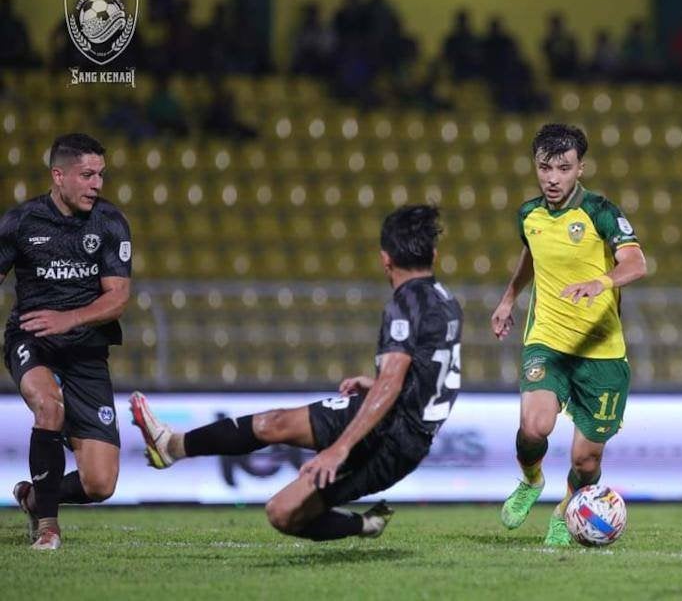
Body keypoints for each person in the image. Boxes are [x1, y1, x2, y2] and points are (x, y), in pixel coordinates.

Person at [130, 205, 462, 542]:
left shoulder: (405, 304)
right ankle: (171, 446)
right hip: (388, 417)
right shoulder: (446, 301)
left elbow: (393, 382)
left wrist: (340, 447)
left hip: (393, 441)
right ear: (433, 255)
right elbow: (429, 378)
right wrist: (376, 385)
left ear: (384, 258)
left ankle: (365, 525)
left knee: (282, 512)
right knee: (272, 423)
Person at [491, 124, 647, 545]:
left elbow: (636, 263)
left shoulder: (601, 211)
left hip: (602, 352)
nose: (552, 178)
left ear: (581, 167)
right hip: (549, 341)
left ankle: (566, 509)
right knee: (533, 427)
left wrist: (602, 282)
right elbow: (531, 255)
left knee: (586, 458)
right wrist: (508, 298)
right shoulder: (529, 214)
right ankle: (531, 480)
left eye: (563, 168)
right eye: (545, 167)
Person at [4, 133, 133, 550]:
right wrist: (52, 323)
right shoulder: (20, 222)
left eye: (100, 175)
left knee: (100, 484)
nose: (96, 184)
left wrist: (71, 318)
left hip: (85, 350)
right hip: (32, 339)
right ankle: (48, 526)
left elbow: (118, 297)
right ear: (58, 175)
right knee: (49, 405)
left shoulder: (109, 222)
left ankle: (33, 497)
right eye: (87, 174)